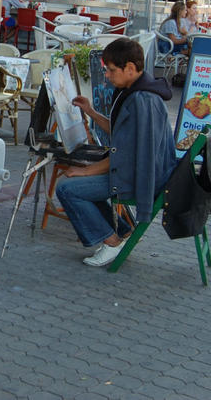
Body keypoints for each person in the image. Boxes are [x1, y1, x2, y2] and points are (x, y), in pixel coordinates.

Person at [55, 38, 176, 267]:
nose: (107, 76)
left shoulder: (143, 100)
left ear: (130, 68)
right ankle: (122, 232)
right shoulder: (136, 90)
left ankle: (112, 242)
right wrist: (90, 111)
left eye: (111, 70)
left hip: (143, 178)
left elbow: (126, 155)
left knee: (67, 189)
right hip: (138, 171)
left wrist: (86, 171)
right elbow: (119, 131)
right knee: (79, 187)